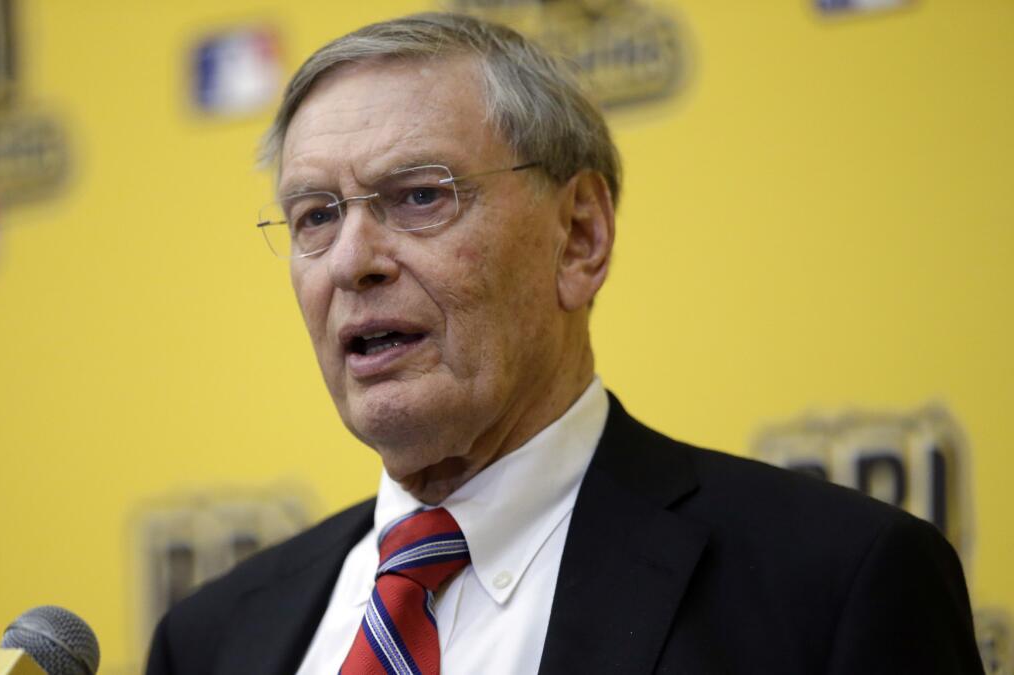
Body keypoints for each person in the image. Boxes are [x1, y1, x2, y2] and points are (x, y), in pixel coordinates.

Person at [146, 12, 983, 675]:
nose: (354, 262)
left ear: (579, 236)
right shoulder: (212, 637)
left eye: (419, 197)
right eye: (316, 216)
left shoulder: (835, 585)